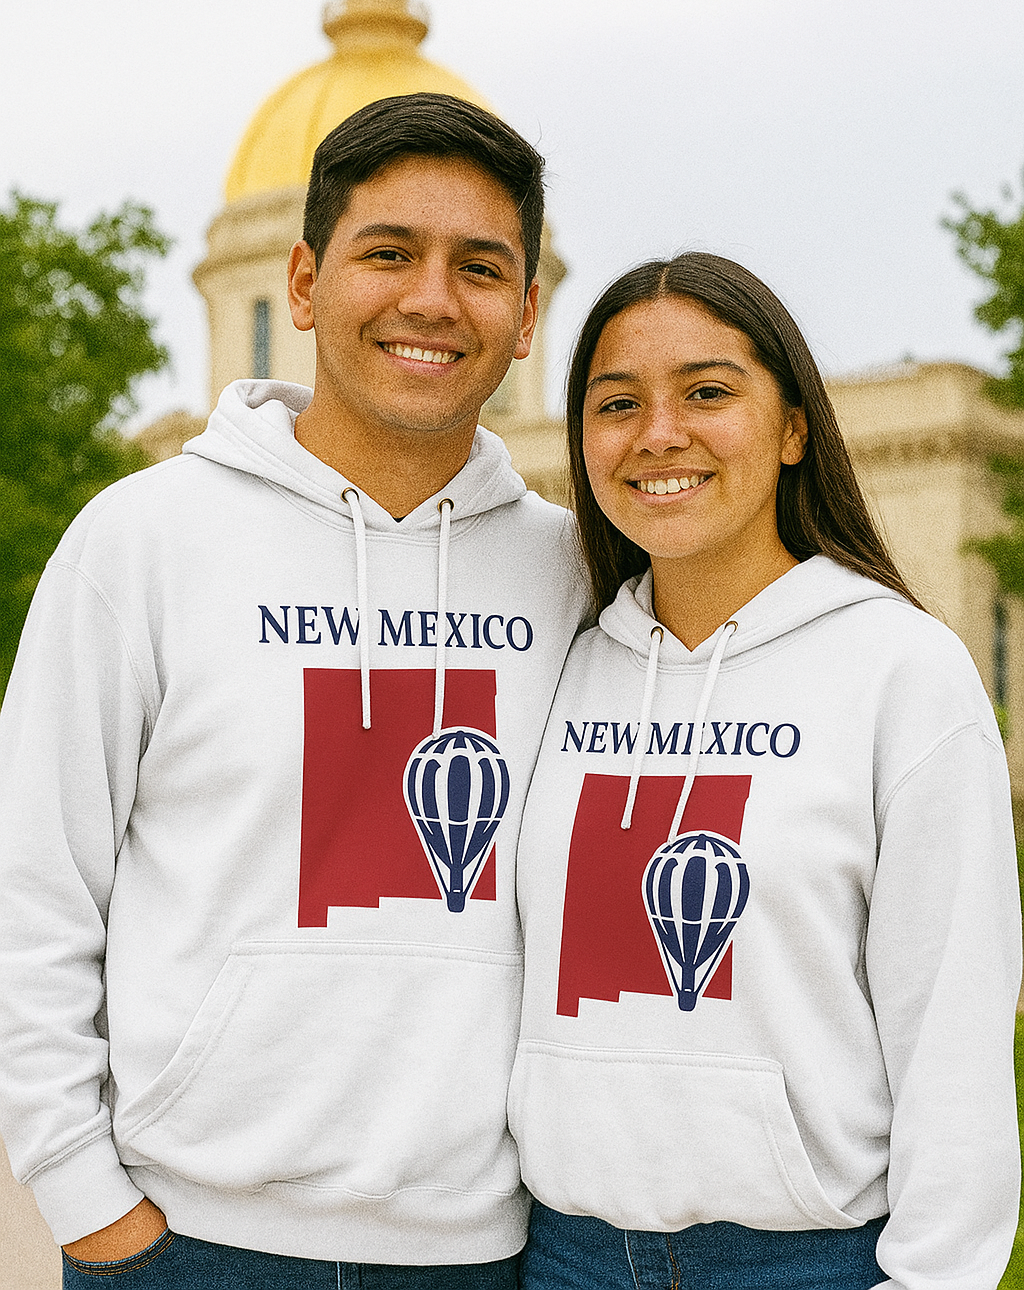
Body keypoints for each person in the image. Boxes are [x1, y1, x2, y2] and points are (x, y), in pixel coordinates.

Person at [0, 93, 589, 1287]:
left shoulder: (575, 572)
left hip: (486, 1253)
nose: (432, 299)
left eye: (479, 267)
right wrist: (85, 1204)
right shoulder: (143, 538)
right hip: (184, 1245)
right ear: (303, 286)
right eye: (389, 254)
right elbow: (31, 885)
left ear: (528, 316)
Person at [509, 253, 1021, 1290]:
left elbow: (953, 1040)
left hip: (803, 1264)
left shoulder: (901, 671)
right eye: (618, 403)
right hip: (562, 1258)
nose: (659, 433)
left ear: (792, 428)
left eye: (707, 392)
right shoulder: (559, 666)